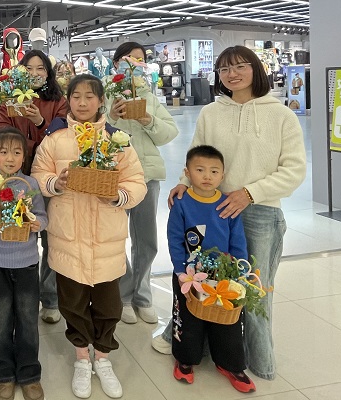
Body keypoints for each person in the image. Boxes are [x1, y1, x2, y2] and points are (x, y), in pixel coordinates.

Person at [156, 45, 306, 382]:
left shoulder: (280, 114)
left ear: (256, 69)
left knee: (252, 287)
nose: (231, 74)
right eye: (224, 69)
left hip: (261, 211)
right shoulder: (211, 112)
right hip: (213, 209)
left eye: (239, 66)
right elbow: (197, 155)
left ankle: (259, 359)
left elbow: (294, 170)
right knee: (203, 276)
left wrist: (250, 193)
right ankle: (193, 344)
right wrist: (184, 182)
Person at [31, 74, 146, 400]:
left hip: (105, 238)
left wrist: (118, 197)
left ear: (101, 101)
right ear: (68, 100)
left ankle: (103, 358)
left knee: (109, 305)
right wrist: (56, 183)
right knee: (73, 303)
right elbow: (38, 175)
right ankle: (82, 358)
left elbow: (136, 182)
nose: (82, 103)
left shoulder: (117, 139)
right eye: (76, 96)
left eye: (89, 96)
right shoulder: (55, 138)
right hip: (67, 236)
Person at [168, 145, 255, 393]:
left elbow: (238, 241)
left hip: (224, 275)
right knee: (188, 319)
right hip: (188, 275)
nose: (207, 176)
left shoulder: (228, 204)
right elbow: (175, 239)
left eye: (214, 171)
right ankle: (185, 360)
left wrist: (240, 273)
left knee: (228, 321)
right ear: (187, 172)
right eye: (200, 170)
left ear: (222, 175)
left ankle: (231, 365)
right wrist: (180, 271)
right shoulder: (182, 203)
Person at [105, 42, 178, 326]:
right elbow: (91, 130)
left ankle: (143, 295)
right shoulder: (105, 92)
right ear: (116, 63)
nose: (134, 64)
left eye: (140, 60)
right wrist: (112, 116)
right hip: (115, 177)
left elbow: (169, 133)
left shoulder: (149, 96)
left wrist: (147, 119)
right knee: (115, 237)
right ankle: (123, 295)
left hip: (147, 176)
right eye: (128, 59)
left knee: (146, 239)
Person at [0, 49, 67, 324]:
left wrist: (39, 122)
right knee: (17, 233)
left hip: (47, 178)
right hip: (16, 177)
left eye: (41, 69)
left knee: (48, 236)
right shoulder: (9, 98)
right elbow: (1, 131)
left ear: (48, 73)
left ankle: (50, 297)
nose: (35, 73)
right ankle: (21, 296)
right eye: (29, 68)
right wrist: (22, 149)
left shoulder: (58, 101)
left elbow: (61, 137)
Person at [0, 127, 48, 400]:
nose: (10, 158)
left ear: (24, 157)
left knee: (28, 319)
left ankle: (29, 373)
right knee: (0, 321)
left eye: (17, 152)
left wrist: (38, 223)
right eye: (4, 152)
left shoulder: (30, 185)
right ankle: (4, 373)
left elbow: (42, 217)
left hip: (27, 263)